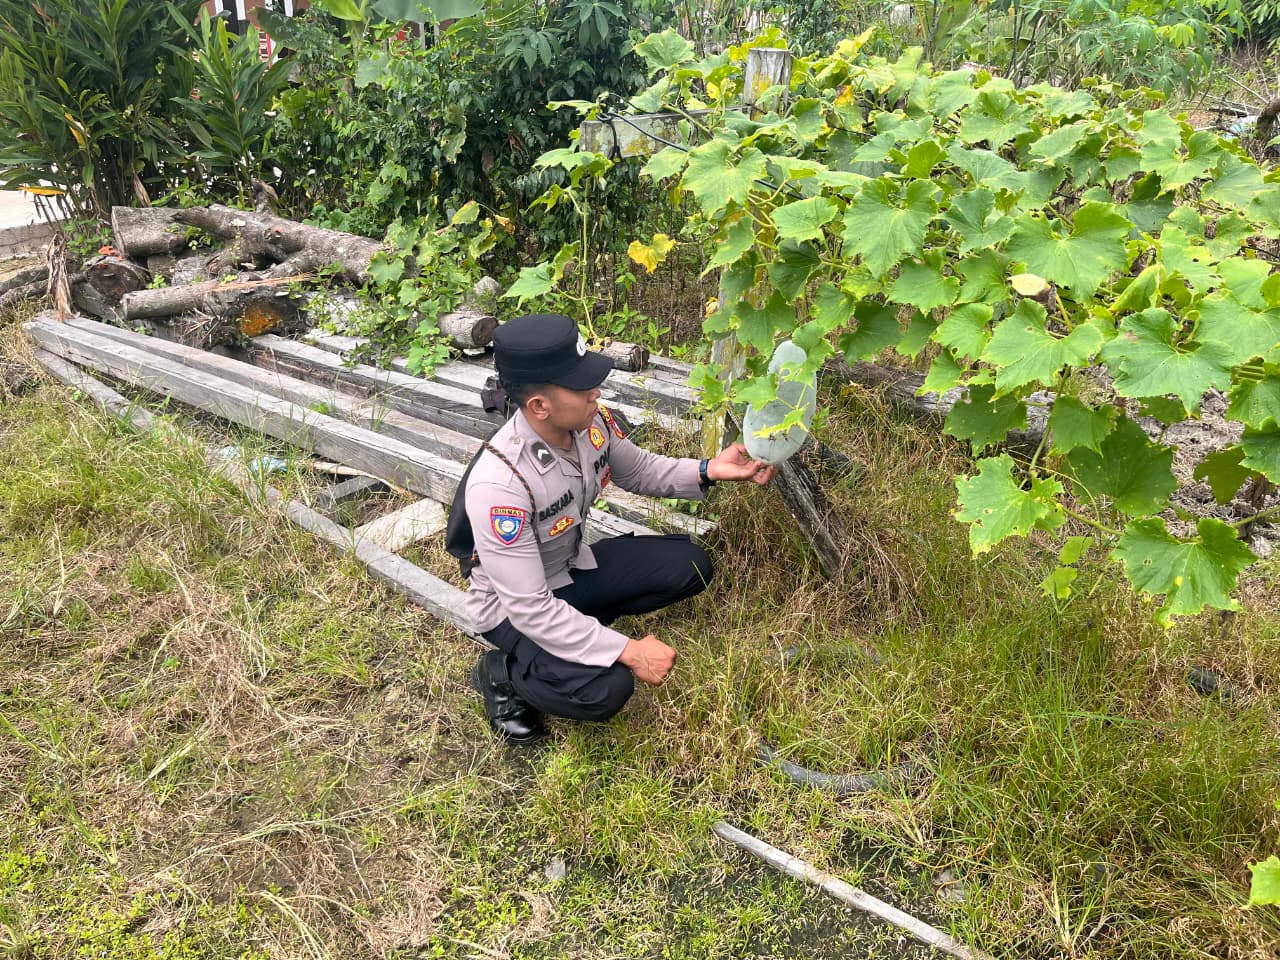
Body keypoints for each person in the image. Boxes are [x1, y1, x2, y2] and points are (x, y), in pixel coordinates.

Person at [455, 313, 777, 744]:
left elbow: (639, 470)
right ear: (539, 406)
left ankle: (579, 631)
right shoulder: (501, 486)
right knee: (607, 688)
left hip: (568, 571)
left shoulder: (589, 423)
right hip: (514, 610)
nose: (596, 393)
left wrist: (710, 470)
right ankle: (501, 676)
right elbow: (530, 608)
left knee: (690, 566)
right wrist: (629, 650)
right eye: (581, 386)